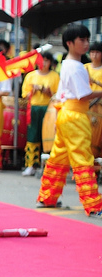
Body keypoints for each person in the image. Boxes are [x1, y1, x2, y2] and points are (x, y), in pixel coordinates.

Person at [36, 25, 102, 218]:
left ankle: (47, 197)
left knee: (58, 158)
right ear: (69, 43)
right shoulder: (76, 67)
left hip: (66, 114)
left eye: (87, 40)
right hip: (75, 116)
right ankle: (93, 204)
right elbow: (84, 96)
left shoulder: (68, 63)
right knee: (83, 159)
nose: (86, 44)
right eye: (82, 40)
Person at [20, 52, 59, 176]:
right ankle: (31, 164)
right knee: (33, 135)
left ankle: (49, 165)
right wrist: (33, 90)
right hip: (34, 108)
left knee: (49, 136)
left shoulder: (55, 76)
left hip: (49, 109)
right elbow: (25, 95)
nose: (44, 64)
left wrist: (49, 92)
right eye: (42, 61)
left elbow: (58, 95)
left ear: (50, 63)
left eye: (47, 61)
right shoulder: (30, 76)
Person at [85, 41, 102, 159]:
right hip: (85, 104)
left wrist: (95, 81)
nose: (94, 55)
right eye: (92, 52)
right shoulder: (84, 67)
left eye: (97, 52)